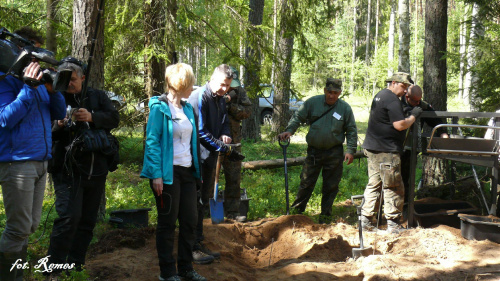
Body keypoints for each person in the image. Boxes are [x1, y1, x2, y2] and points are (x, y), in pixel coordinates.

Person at [0, 28, 66, 281]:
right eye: (32, 52)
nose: (36, 60)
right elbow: (5, 119)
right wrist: (27, 87)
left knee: (30, 226)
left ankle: (17, 273)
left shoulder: (39, 82)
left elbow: (58, 113)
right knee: (18, 228)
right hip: (16, 163)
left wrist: (54, 88)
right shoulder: (4, 80)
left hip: (41, 161)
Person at [45, 58, 120, 275]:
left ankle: (75, 265)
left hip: (96, 169)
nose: (69, 84)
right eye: (65, 79)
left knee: (87, 221)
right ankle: (55, 269)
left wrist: (92, 116)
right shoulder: (54, 96)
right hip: (67, 170)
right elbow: (43, 126)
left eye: (73, 79)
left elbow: (114, 118)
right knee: (69, 219)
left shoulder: (96, 96)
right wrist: (58, 125)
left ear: (83, 78)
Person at [141, 63, 206, 281]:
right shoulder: (159, 108)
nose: (194, 86)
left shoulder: (188, 108)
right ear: (182, 84)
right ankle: (167, 272)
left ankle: (186, 269)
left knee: (190, 221)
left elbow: (192, 143)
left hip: (187, 173)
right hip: (167, 175)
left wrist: (198, 172)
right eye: (191, 82)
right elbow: (152, 142)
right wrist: (155, 174)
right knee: (167, 223)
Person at [278, 78, 358, 223]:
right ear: (324, 91)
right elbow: (298, 117)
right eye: (329, 92)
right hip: (314, 152)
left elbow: (351, 130)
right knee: (306, 182)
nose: (331, 95)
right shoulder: (312, 103)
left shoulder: (345, 108)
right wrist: (289, 130)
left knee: (331, 186)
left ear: (339, 93)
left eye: (335, 93)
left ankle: (325, 216)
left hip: (334, 152)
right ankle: (297, 213)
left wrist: (350, 150)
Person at [187, 64, 245, 264]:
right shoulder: (199, 97)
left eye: (227, 86)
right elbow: (200, 132)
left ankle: (198, 242)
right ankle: (191, 247)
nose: (224, 89)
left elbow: (224, 123)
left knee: (203, 201)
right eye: (222, 85)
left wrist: (226, 135)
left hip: (210, 156)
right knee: (194, 203)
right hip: (196, 158)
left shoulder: (221, 99)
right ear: (212, 78)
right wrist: (223, 147)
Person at [361, 72, 422, 234]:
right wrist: (413, 116)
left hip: (373, 148)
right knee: (393, 186)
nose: (404, 91)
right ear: (394, 83)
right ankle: (393, 224)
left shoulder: (380, 95)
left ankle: (365, 220)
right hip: (386, 150)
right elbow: (400, 125)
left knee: (374, 185)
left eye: (407, 87)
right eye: (403, 86)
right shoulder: (392, 100)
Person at [400, 85, 448, 202]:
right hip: (394, 147)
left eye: (419, 100)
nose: (418, 103)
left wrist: (443, 132)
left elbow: (435, 120)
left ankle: (406, 205)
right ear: (407, 97)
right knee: (394, 178)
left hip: (410, 148)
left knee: (407, 178)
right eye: (415, 101)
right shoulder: (396, 103)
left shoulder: (422, 105)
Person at [222, 66, 252, 222]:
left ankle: (232, 212)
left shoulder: (239, 92)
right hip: (212, 141)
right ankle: (206, 211)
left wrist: (231, 106)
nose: (228, 87)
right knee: (207, 178)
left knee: (233, 178)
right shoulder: (213, 90)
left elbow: (247, 112)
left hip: (233, 141)